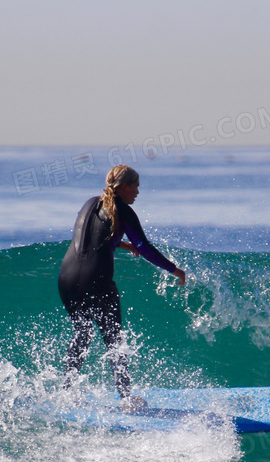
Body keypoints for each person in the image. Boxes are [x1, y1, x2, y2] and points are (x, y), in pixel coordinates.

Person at [57, 165, 185, 405]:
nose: (137, 191)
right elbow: (145, 247)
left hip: (67, 278)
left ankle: (66, 391)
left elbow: (90, 240)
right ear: (124, 186)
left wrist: (123, 245)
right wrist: (174, 269)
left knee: (82, 334)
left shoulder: (90, 203)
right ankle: (126, 397)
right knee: (113, 339)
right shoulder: (124, 211)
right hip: (97, 280)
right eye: (136, 186)